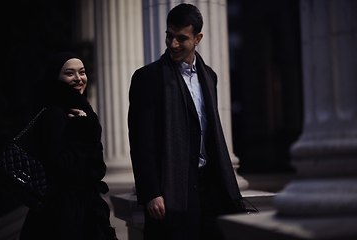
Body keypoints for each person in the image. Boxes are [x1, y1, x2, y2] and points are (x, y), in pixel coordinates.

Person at [128, 3, 246, 240]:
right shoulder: (147, 78)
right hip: (172, 190)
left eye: (181, 38)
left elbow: (210, 132)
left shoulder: (209, 76)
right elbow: (142, 143)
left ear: (198, 38)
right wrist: (151, 192)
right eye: (169, 36)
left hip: (209, 186)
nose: (173, 44)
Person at [19, 52, 118, 240]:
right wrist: (82, 132)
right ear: (56, 78)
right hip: (61, 216)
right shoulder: (54, 115)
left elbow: (95, 167)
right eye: (69, 73)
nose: (78, 78)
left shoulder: (81, 112)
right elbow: (60, 169)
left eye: (82, 72)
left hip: (83, 208)